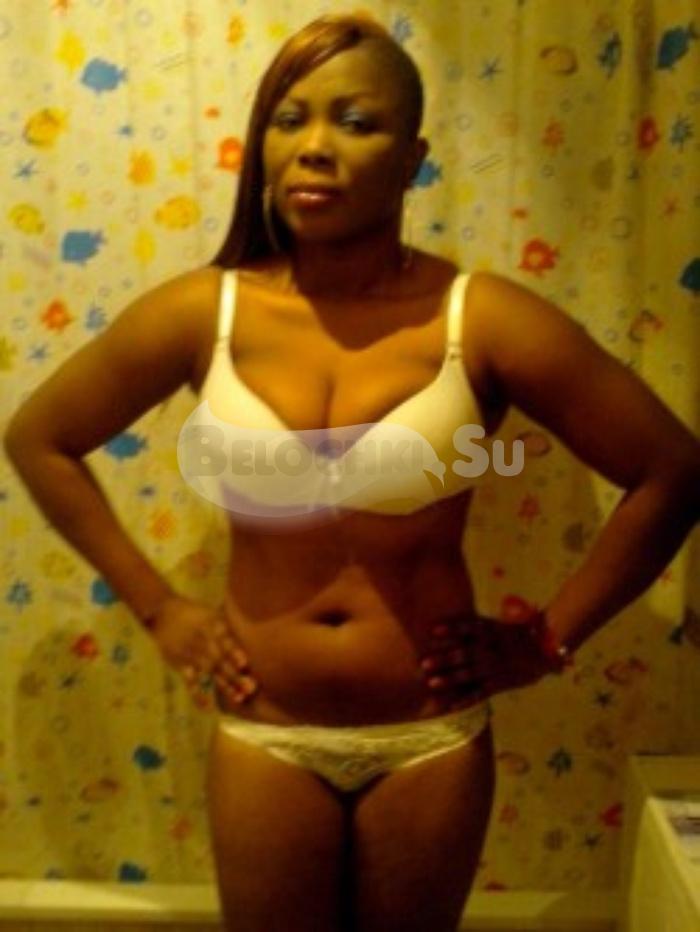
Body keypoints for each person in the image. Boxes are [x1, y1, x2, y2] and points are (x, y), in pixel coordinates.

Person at [4, 12, 700, 932]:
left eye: (355, 122)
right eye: (289, 119)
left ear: (412, 159)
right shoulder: (202, 313)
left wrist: (543, 644)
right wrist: (161, 608)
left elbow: (670, 470)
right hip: (266, 735)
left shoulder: (480, 319)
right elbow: (40, 437)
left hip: (428, 738)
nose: (314, 147)